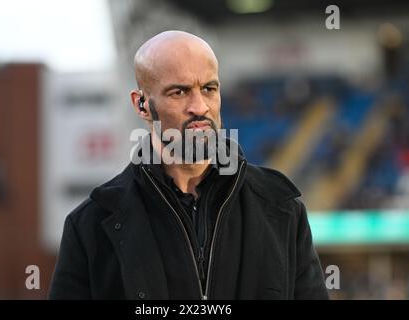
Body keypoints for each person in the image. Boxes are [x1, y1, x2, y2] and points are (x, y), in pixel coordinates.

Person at [48, 30, 329, 300]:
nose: (200, 106)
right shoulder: (91, 224)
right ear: (142, 104)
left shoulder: (281, 208)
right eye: (179, 92)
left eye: (209, 88)